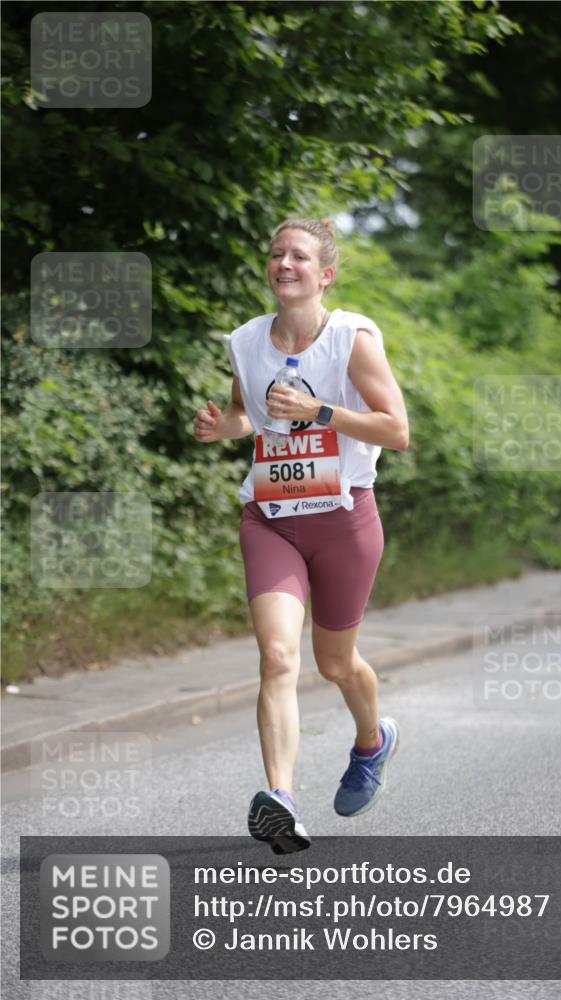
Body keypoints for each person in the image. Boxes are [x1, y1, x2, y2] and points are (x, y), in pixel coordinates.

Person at [193, 217, 409, 855]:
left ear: (326, 274)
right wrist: (222, 426)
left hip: (344, 520)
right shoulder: (246, 341)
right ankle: (282, 800)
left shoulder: (351, 339)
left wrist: (319, 411)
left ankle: (372, 742)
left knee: (335, 663)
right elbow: (248, 415)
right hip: (271, 520)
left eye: (299, 256)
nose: (284, 263)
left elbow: (395, 430)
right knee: (278, 657)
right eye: (276, 254)